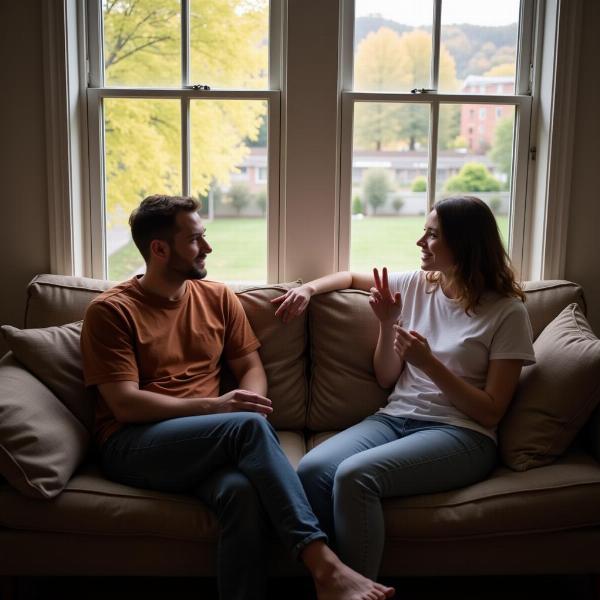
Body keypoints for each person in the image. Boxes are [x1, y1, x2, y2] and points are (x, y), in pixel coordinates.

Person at [80, 195, 395, 600]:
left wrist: (250, 406)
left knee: (241, 493)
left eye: (204, 236)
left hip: (206, 438)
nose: (208, 247)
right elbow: (124, 403)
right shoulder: (111, 312)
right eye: (195, 239)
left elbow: (251, 368)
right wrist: (220, 410)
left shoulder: (216, 297)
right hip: (134, 442)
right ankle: (325, 567)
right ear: (159, 249)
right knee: (244, 428)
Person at [271, 195, 536, 580]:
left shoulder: (507, 312)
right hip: (396, 417)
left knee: (354, 476)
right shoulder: (418, 285)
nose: (420, 242)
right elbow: (351, 286)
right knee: (312, 469)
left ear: (463, 244)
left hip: (462, 433)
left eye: (432, 235)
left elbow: (491, 410)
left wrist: (429, 363)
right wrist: (314, 293)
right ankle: (325, 579)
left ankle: (357, 588)